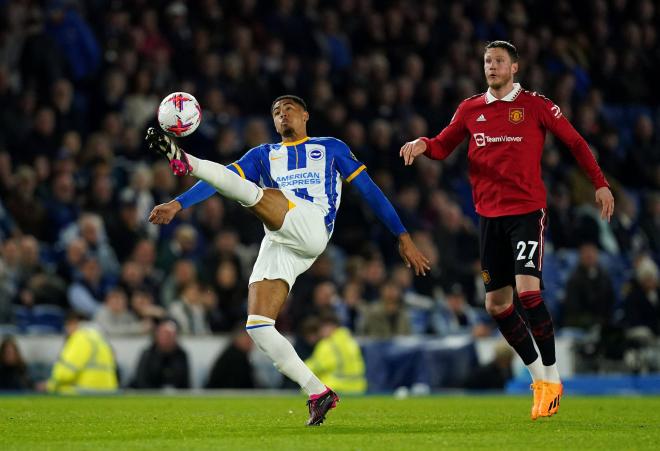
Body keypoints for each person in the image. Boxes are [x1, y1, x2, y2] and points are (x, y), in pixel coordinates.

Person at [146, 94, 430, 426]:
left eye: (289, 110)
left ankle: (186, 160)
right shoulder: (264, 155)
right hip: (281, 238)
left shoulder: (331, 147)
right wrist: (178, 205)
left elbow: (369, 191)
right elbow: (221, 181)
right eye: (277, 112)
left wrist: (403, 235)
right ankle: (318, 392)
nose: (283, 116)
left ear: (306, 115)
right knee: (258, 327)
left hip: (312, 225)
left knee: (254, 195)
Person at [399, 40, 615, 420]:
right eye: (487, 61)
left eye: (499, 61)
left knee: (528, 293)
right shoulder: (471, 109)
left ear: (514, 68)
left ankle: (553, 377)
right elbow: (442, 145)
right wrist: (422, 143)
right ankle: (537, 378)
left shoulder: (536, 105)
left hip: (526, 213)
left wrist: (599, 182)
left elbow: (576, 143)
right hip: (489, 218)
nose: (492, 66)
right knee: (496, 305)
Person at [44, 313, 118, 394]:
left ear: (74, 323)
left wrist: (49, 385)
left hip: (85, 391)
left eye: (67, 326)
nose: (66, 330)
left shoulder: (80, 337)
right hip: (109, 391)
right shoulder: (99, 337)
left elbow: (66, 373)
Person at [305, 313, 366, 394]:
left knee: (306, 390)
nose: (320, 332)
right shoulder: (350, 341)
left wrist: (300, 366)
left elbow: (318, 366)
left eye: (321, 328)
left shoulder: (327, 344)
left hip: (337, 386)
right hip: (358, 387)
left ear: (330, 327)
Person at [132, 319, 190, 389]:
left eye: (169, 335)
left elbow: (185, 382)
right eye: (163, 334)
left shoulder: (181, 355)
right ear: (157, 335)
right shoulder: (148, 354)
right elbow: (141, 380)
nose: (166, 338)